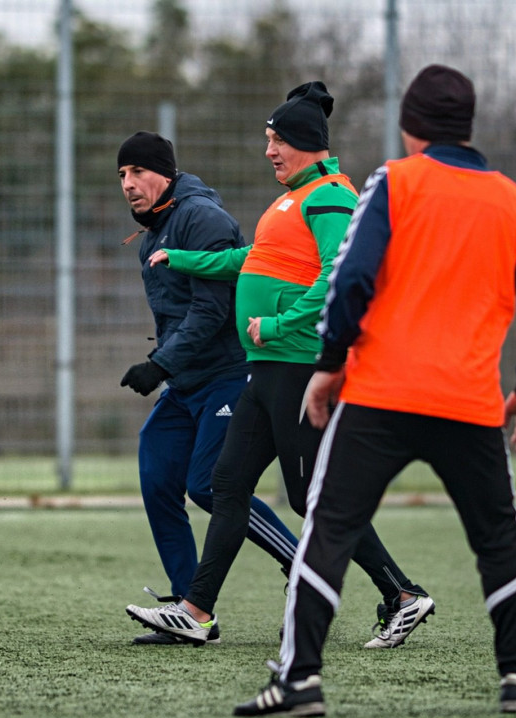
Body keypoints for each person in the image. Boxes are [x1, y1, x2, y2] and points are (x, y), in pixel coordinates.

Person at [233, 64, 516, 718]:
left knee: (328, 527)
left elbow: (352, 279)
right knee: (498, 538)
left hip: (380, 395)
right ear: (466, 126)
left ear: (410, 128)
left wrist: (330, 364)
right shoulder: (514, 200)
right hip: (469, 402)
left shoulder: (395, 182)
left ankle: (298, 680)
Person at [127, 82, 432, 649]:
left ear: (307, 144)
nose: (269, 150)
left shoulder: (332, 197)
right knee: (226, 484)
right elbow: (253, 259)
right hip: (264, 371)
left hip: (295, 364)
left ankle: (403, 595)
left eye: (278, 140)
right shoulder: (290, 198)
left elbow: (339, 277)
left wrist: (281, 323)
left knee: (308, 496)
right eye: (267, 139)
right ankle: (196, 611)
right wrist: (187, 257)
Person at [116, 130, 300, 645]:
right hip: (187, 381)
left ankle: (302, 565)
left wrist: (159, 363)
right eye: (122, 176)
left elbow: (212, 308)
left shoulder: (202, 218)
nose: (129, 185)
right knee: (156, 473)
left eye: (138, 172)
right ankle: (186, 606)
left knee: (209, 486)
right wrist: (168, 367)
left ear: (166, 173)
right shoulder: (152, 230)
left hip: (227, 375)